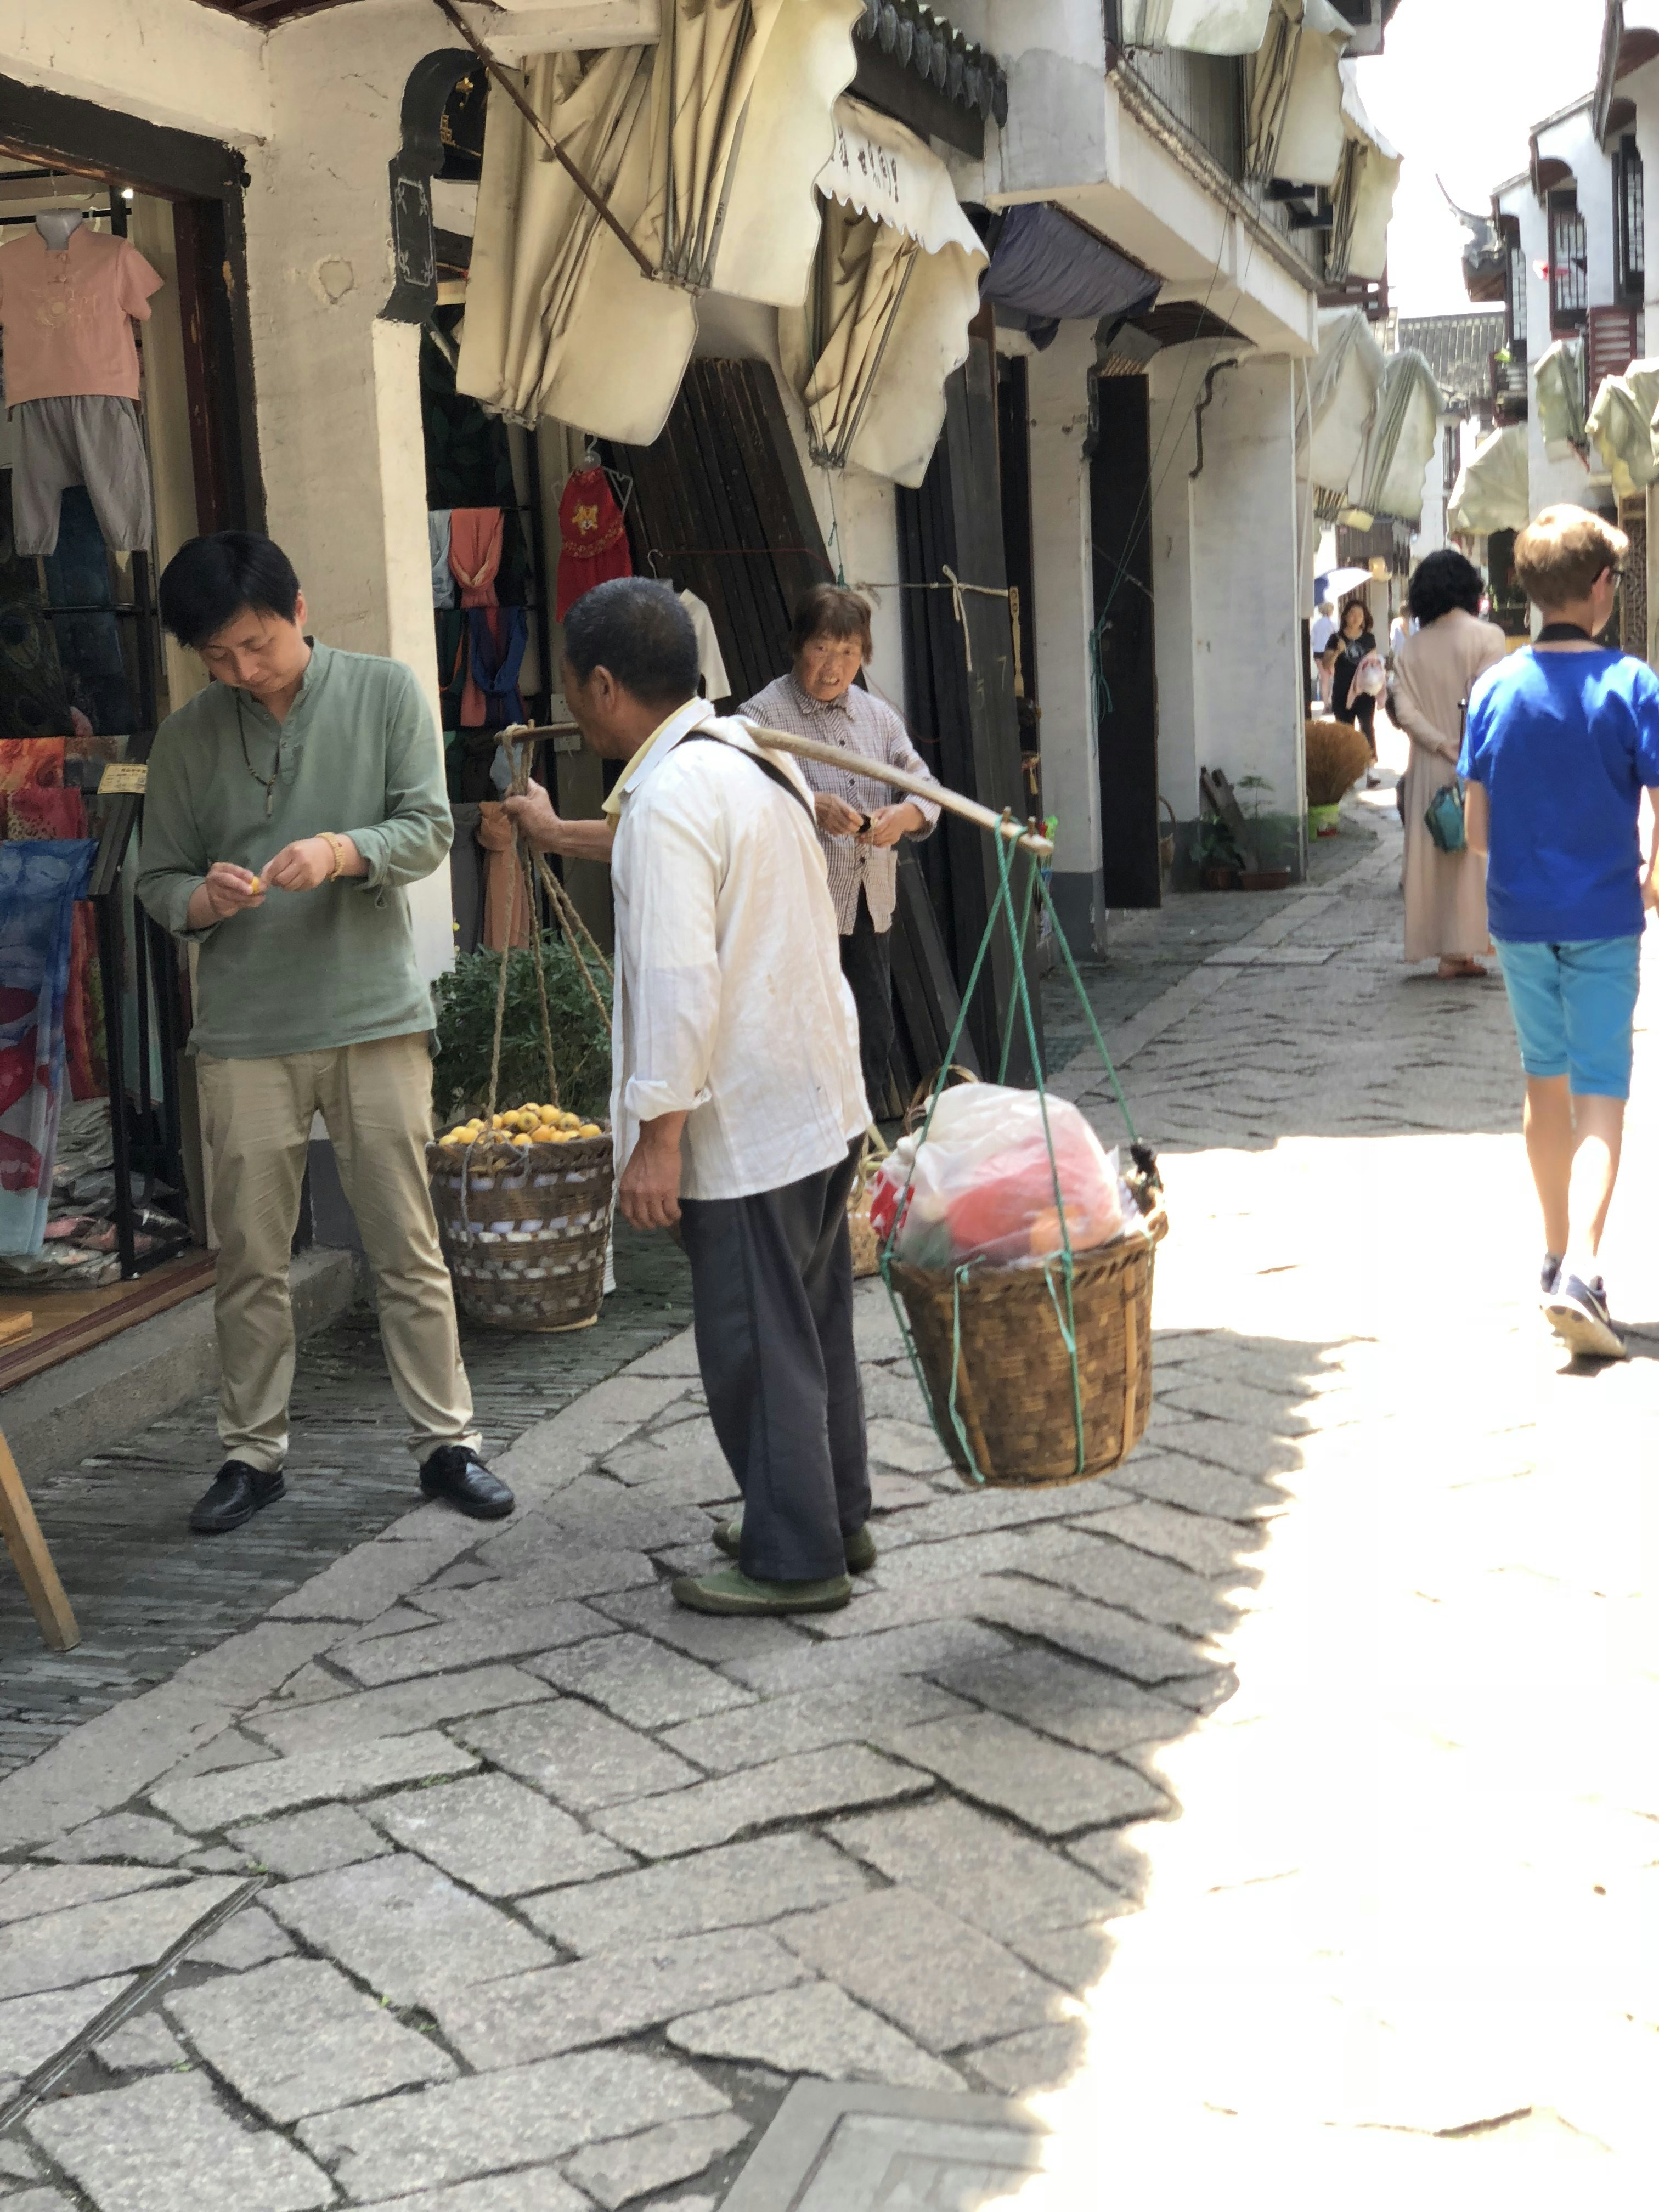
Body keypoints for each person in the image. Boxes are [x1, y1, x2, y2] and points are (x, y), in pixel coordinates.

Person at [505, 579, 872, 1617]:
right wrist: (552, 829)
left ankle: (795, 1555)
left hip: (744, 1116)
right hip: (812, 1093)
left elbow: (676, 981)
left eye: (574, 688)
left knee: (758, 1341)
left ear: (605, 685)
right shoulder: (750, 756)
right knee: (812, 1323)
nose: (572, 707)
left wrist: (656, 1136)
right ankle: (831, 1513)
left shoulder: (671, 795)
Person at [138, 533, 512, 1532]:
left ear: (297, 609)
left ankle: (447, 1444)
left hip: (372, 1016)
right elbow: (155, 878)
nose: (240, 670)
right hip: (244, 1031)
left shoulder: (386, 691)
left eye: (256, 645)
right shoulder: (186, 737)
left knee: (406, 1244)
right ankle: (251, 1454)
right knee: (249, 1257)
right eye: (217, 658)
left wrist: (345, 849)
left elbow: (429, 827)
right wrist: (205, 900)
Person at [1459, 505, 1659, 1361]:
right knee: (1602, 1094)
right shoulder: (1633, 684)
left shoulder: (1498, 688)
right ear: (1605, 587)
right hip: (1605, 916)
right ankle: (1585, 1264)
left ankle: (1552, 1259)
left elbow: (1474, 829)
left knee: (1544, 1085)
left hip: (1522, 919)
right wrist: (1652, 875)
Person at [738, 588, 940, 1120]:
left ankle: (857, 1163)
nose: (835, 667)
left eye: (849, 652)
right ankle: (808, 1173)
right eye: (823, 649)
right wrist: (812, 804)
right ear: (797, 645)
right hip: (799, 909)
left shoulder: (877, 718)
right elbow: (741, 800)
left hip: (869, 906)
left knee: (871, 1033)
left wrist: (905, 817)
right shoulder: (761, 717)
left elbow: (924, 785)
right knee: (800, 1039)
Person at [1391, 549, 1506, 978]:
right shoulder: (1489, 637)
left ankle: (1444, 951)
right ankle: (1466, 946)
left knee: (1431, 853)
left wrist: (1440, 744)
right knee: (1472, 854)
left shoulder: (1412, 649)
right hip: (1474, 759)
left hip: (1427, 764)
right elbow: (1492, 698)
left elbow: (1403, 710)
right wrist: (1463, 746)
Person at [1330, 598, 1379, 771]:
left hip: (1364, 692)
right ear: (1345, 616)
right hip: (1342, 692)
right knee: (1345, 732)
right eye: (1352, 614)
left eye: (1360, 615)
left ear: (1364, 618)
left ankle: (1371, 771)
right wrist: (1338, 651)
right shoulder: (1335, 638)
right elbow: (1328, 666)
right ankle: (1348, 771)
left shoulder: (1369, 639)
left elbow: (1372, 663)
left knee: (1367, 728)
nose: (1356, 618)